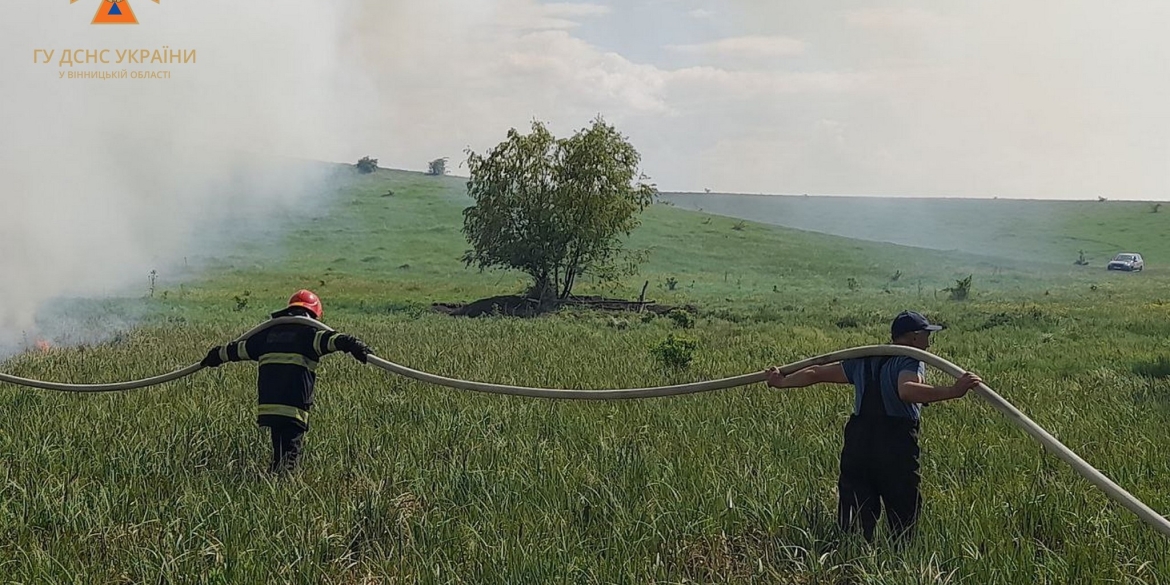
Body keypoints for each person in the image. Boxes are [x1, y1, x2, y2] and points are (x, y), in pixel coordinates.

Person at [765, 310, 982, 542]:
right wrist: (953, 391)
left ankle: (852, 558)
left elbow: (816, 372)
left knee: (857, 513)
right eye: (927, 336)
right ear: (914, 336)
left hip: (858, 443)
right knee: (902, 513)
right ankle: (900, 561)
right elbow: (907, 390)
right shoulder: (910, 359)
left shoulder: (866, 359)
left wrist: (782, 382)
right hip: (895, 443)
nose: (929, 344)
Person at [200, 290, 373, 472]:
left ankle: (273, 481)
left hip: (270, 407)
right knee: (290, 458)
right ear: (314, 315)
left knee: (279, 454)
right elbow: (334, 340)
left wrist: (215, 356)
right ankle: (282, 492)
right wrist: (355, 345)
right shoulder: (309, 334)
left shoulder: (267, 334)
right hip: (293, 408)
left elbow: (236, 350)